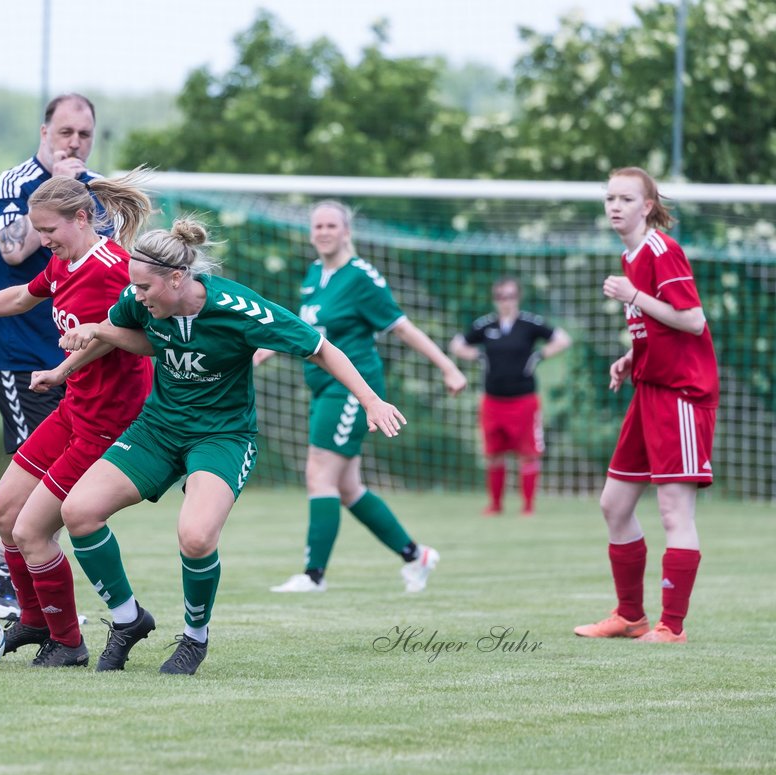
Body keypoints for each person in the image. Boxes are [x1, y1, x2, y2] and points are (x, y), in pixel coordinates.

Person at [34, 217, 406, 675]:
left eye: (146, 287)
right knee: (78, 513)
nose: (137, 295)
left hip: (222, 436)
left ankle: (194, 638)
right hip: (157, 429)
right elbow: (125, 336)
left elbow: (320, 348)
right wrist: (66, 367)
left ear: (176, 278)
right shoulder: (141, 298)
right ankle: (128, 620)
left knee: (195, 536)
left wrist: (370, 400)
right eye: (135, 287)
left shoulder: (239, 308)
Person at [0, 172, 154, 666]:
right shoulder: (64, 264)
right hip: (72, 409)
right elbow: (22, 296)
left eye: (49, 232)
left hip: (107, 423)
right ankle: (35, 618)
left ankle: (67, 644)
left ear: (81, 218)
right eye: (38, 232)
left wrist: (63, 366)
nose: (42, 242)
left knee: (32, 532)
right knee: (4, 516)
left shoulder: (114, 269)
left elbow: (125, 334)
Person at [259, 201, 466, 596]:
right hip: (322, 388)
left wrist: (447, 367)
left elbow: (402, 327)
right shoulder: (316, 274)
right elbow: (310, 326)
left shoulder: (362, 277)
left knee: (319, 472)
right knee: (349, 487)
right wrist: (271, 345)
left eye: (331, 225)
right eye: (317, 225)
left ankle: (313, 576)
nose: (323, 231)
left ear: (346, 231)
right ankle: (415, 555)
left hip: (352, 389)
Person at [574, 167, 718, 644]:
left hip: (681, 392)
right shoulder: (630, 254)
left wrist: (633, 295)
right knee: (614, 504)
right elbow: (660, 325)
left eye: (626, 199)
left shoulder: (661, 249)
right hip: (649, 387)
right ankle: (630, 616)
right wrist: (631, 355)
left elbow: (693, 320)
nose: (615, 206)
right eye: (609, 197)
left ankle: (671, 627)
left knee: (675, 512)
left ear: (648, 206)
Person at [0, 93, 103, 620]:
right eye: (66, 132)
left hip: (77, 359)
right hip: (20, 356)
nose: (75, 143)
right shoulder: (13, 184)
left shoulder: (93, 195)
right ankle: (4, 582)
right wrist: (52, 196)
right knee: (35, 478)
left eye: (85, 135)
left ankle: (20, 582)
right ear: (45, 131)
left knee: (65, 480)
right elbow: (12, 252)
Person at [450, 277, 572, 515]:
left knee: (528, 454)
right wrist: (478, 356)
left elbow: (563, 339)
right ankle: (495, 505)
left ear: (517, 297)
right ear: (495, 299)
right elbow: (457, 344)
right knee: (494, 454)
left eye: (509, 296)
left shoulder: (529, 324)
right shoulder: (486, 325)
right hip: (493, 400)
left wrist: (539, 355)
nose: (505, 301)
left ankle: (528, 507)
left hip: (524, 400)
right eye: (500, 297)